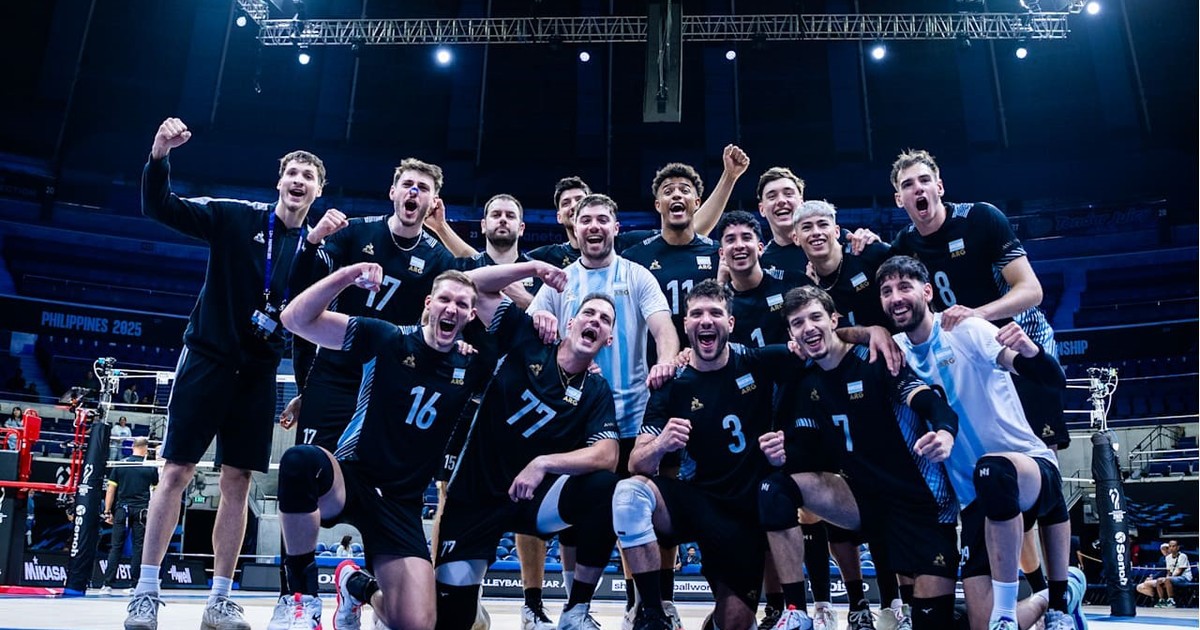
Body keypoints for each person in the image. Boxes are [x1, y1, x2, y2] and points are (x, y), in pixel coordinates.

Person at [126, 117, 323, 630]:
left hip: (258, 374)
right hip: (207, 360)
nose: (299, 180)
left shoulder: (313, 255)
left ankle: (219, 600)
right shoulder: (235, 217)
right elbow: (160, 206)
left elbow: (310, 331)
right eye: (292, 172)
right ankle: (145, 592)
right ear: (279, 181)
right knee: (176, 471)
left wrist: (304, 389)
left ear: (318, 191)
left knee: (239, 481)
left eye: (308, 176)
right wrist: (160, 154)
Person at [272, 263, 508, 630]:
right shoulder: (387, 338)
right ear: (428, 303)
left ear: (471, 315)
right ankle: (301, 598)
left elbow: (530, 367)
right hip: (352, 479)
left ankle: (355, 585)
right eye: (444, 299)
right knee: (300, 461)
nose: (451, 309)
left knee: (417, 624)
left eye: (462, 304)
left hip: (402, 502)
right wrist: (347, 275)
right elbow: (294, 319)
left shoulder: (474, 365)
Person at [887, 149, 1068, 611]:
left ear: (940, 186)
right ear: (899, 199)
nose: (917, 190)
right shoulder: (903, 244)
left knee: (1039, 477)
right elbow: (890, 294)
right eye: (907, 185)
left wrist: (977, 316)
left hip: (1010, 337)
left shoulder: (981, 218)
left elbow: (1031, 290)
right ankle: (1033, 595)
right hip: (957, 354)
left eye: (924, 180)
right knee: (994, 483)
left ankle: (1061, 595)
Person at [878, 256, 1083, 630]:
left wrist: (1031, 351)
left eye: (904, 287)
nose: (896, 298)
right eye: (887, 291)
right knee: (979, 624)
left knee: (992, 471)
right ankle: (1055, 596)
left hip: (1026, 467)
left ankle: (1010, 613)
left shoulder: (965, 328)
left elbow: (1050, 380)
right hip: (973, 497)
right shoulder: (895, 351)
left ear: (927, 292)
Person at [758, 285, 961, 630]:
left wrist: (944, 433)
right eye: (797, 323)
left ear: (834, 320)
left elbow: (930, 402)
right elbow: (805, 453)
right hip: (862, 501)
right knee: (773, 489)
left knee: (935, 622)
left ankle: (1041, 600)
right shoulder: (806, 382)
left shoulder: (875, 360)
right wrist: (781, 456)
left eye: (815, 317)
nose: (808, 328)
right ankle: (797, 611)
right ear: (791, 335)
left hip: (919, 504)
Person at [433, 266, 624, 630]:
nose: (595, 322)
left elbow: (608, 455)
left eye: (605, 320)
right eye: (589, 313)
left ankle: (576, 610)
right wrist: (534, 271)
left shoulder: (596, 389)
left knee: (606, 488)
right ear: (570, 323)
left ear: (609, 339)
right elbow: (473, 285)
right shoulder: (527, 336)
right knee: (451, 618)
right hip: (476, 495)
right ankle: (370, 589)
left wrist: (543, 463)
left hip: (532, 502)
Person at [526, 193, 679, 627]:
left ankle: (645, 603)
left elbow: (663, 327)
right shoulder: (559, 281)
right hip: (577, 417)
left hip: (634, 416)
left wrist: (666, 360)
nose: (593, 226)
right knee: (578, 518)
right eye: (585, 220)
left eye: (602, 220)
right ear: (574, 229)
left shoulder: (637, 274)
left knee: (640, 510)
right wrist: (546, 330)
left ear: (615, 228)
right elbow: (533, 330)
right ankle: (576, 606)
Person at [611, 279, 800, 630]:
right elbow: (636, 463)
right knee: (629, 493)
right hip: (696, 501)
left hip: (744, 510)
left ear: (731, 322)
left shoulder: (759, 362)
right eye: (697, 313)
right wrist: (662, 444)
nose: (706, 320)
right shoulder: (671, 383)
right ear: (686, 325)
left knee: (736, 622)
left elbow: (821, 347)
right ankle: (651, 613)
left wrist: (873, 333)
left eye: (715, 313)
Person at [100, 438, 158, 596]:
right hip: (142, 512)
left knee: (116, 547)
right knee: (138, 547)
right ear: (145, 448)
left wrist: (107, 511)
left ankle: (107, 585)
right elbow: (156, 493)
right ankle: (134, 585)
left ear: (133, 447)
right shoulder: (150, 467)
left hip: (122, 510)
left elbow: (110, 490)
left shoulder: (121, 465)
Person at [755, 167, 811, 277]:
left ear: (801, 202)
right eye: (772, 197)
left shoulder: (831, 243)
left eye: (788, 194)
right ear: (762, 209)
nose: (781, 201)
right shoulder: (761, 263)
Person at [1154, 539, 1193, 607]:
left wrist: (1168, 578)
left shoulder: (1183, 556)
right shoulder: (1168, 557)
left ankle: (1171, 601)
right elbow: (1169, 571)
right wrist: (1166, 578)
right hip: (1173, 578)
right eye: (1170, 546)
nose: (1171, 548)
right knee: (1159, 580)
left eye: (1173, 546)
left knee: (1167, 580)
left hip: (1184, 577)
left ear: (1178, 547)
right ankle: (1162, 601)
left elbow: (1180, 571)